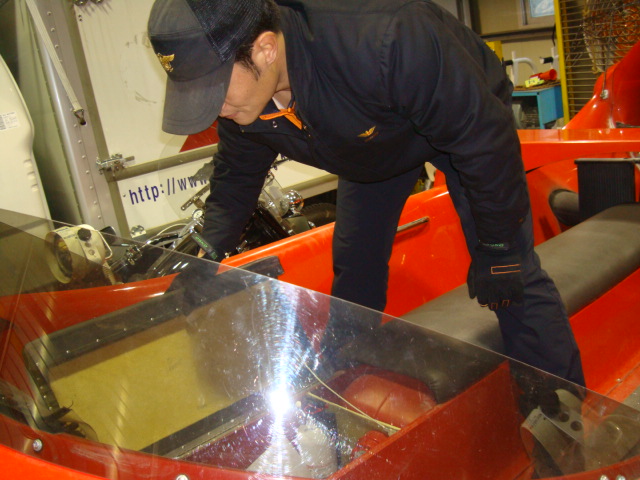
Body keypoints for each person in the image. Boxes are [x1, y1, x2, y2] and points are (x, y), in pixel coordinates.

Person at [148, 0, 585, 386]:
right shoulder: (243, 102)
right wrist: (205, 255)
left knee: (510, 273)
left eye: (215, 89)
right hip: (369, 141)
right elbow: (236, 177)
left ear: (265, 48)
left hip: (462, 123)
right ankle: (347, 382)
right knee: (355, 269)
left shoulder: (388, 37)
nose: (216, 109)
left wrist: (497, 248)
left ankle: (558, 413)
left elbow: (483, 140)